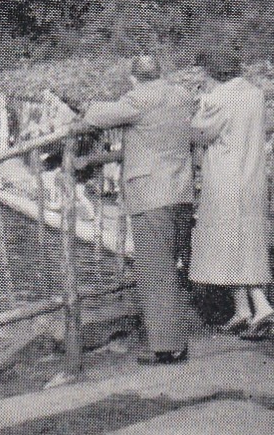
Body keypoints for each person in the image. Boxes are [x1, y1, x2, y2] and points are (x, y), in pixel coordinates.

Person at [82, 54, 197, 365]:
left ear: (134, 78)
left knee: (154, 271)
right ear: (159, 72)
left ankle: (167, 347)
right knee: (172, 267)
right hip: (181, 191)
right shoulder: (182, 95)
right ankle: (175, 340)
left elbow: (95, 115)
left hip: (150, 195)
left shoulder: (138, 98)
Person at [189, 50, 274, 341]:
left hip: (226, 179)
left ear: (212, 72)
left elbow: (198, 134)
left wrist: (200, 105)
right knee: (245, 238)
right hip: (251, 175)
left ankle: (261, 308)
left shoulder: (218, 99)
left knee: (230, 240)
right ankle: (242, 310)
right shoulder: (254, 93)